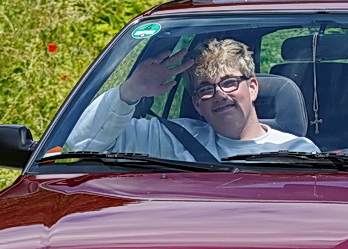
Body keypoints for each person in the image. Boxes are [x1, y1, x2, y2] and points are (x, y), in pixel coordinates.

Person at [64, 38, 319, 160]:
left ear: (252, 88)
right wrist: (132, 90)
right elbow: (82, 143)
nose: (220, 94)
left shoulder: (299, 153)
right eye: (206, 89)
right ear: (197, 103)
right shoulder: (170, 138)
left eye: (229, 83)